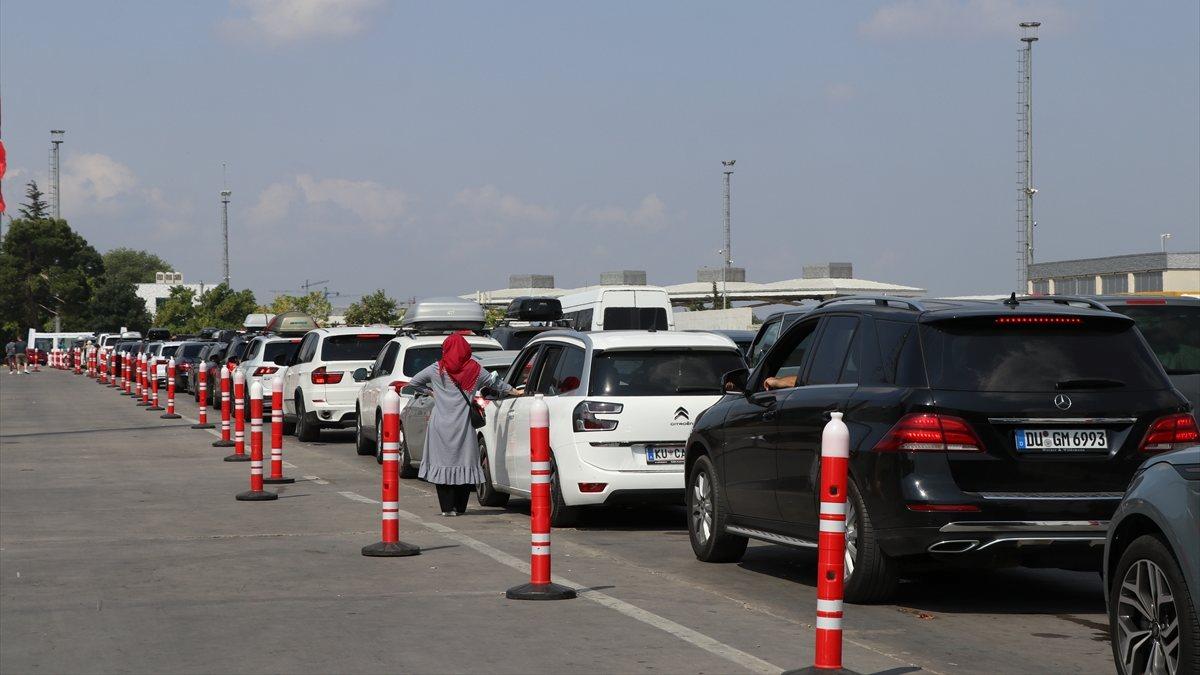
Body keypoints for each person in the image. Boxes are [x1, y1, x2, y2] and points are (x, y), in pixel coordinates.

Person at [408, 333, 522, 516]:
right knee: (465, 462)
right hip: (464, 424)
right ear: (466, 350)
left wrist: (431, 392)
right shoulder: (475, 369)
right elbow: (496, 383)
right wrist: (514, 391)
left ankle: (447, 508)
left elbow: (413, 383)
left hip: (440, 425)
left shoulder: (436, 369)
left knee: (442, 462)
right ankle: (460, 508)